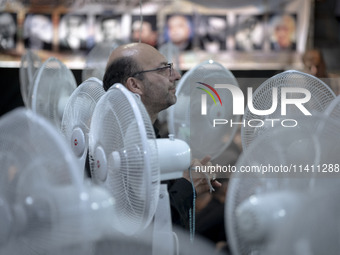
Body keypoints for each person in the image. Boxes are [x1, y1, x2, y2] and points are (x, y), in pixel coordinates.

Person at [103, 42, 221, 228]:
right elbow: (140, 226)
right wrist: (187, 186)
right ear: (135, 85)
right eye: (163, 69)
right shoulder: (116, 145)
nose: (176, 76)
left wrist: (182, 174)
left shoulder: (146, 135)